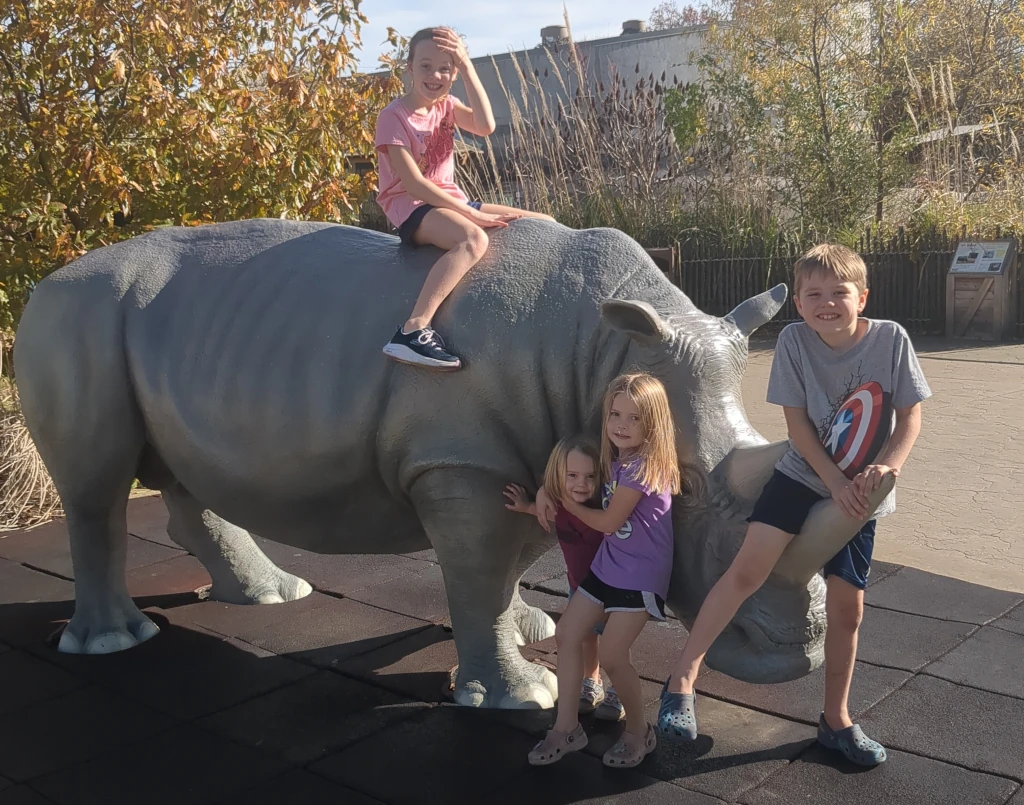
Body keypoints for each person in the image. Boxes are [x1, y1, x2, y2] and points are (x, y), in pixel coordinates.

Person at [657, 244, 931, 766]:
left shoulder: (892, 339)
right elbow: (798, 428)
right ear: (800, 304)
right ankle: (681, 680)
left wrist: (888, 467)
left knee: (848, 611)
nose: (827, 304)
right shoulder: (794, 341)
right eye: (814, 295)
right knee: (745, 572)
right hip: (804, 476)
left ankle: (836, 718)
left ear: (862, 296)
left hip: (862, 493)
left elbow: (909, 417)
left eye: (838, 293)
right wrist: (833, 479)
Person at [527, 373, 702, 769]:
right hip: (607, 568)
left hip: (639, 579)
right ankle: (567, 727)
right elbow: (572, 467)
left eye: (634, 418)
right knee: (568, 633)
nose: (621, 425)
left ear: (653, 423)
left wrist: (563, 504)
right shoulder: (618, 459)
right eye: (615, 414)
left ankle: (639, 732)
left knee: (612, 653)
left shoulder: (643, 468)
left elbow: (607, 523)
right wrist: (544, 490)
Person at [374, 26, 555, 370]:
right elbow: (413, 184)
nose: (435, 75)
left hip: (451, 200)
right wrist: (471, 216)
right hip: (412, 206)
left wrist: (469, 65)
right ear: (409, 67)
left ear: (454, 74)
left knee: (543, 223)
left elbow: (486, 126)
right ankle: (413, 330)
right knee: (473, 239)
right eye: (425, 66)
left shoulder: (448, 106)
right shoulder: (393, 117)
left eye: (446, 67)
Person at [504, 435, 624, 721]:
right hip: (578, 588)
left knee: (614, 644)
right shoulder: (558, 504)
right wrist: (526, 505)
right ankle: (591, 681)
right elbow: (542, 510)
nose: (581, 484)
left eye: (589, 476)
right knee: (584, 638)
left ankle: (618, 689)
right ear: (559, 475)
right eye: (572, 475)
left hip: (612, 590)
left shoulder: (603, 506)